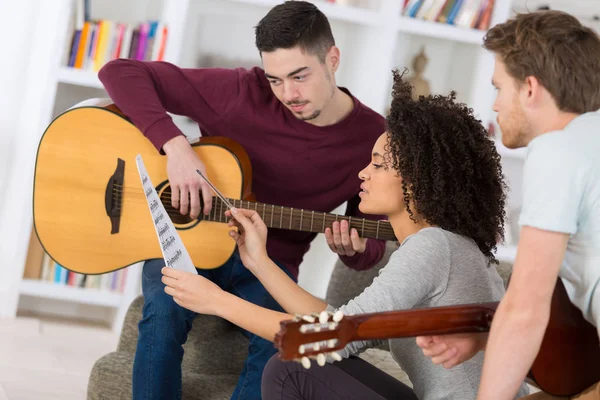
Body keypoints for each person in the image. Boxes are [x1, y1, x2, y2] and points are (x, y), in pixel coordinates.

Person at [160, 69, 530, 400]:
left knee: (290, 367)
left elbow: (328, 339)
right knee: (297, 360)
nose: (362, 174)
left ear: (418, 180)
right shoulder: (447, 246)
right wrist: (259, 261)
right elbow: (345, 325)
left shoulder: (434, 247)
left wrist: (216, 300)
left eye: (379, 164)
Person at [97, 2, 388, 399]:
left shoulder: (375, 137)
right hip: (194, 241)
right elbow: (119, 72)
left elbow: (370, 243)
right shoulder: (240, 90)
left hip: (272, 264)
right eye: (276, 80)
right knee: (162, 316)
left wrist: (354, 252)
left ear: (332, 59)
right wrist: (176, 146)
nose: (289, 94)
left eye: (299, 76)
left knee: (279, 346)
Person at [415, 10, 600, 400]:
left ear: (530, 88)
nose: (495, 106)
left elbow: (525, 311)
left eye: (499, 88)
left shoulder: (557, 150)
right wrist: (486, 338)